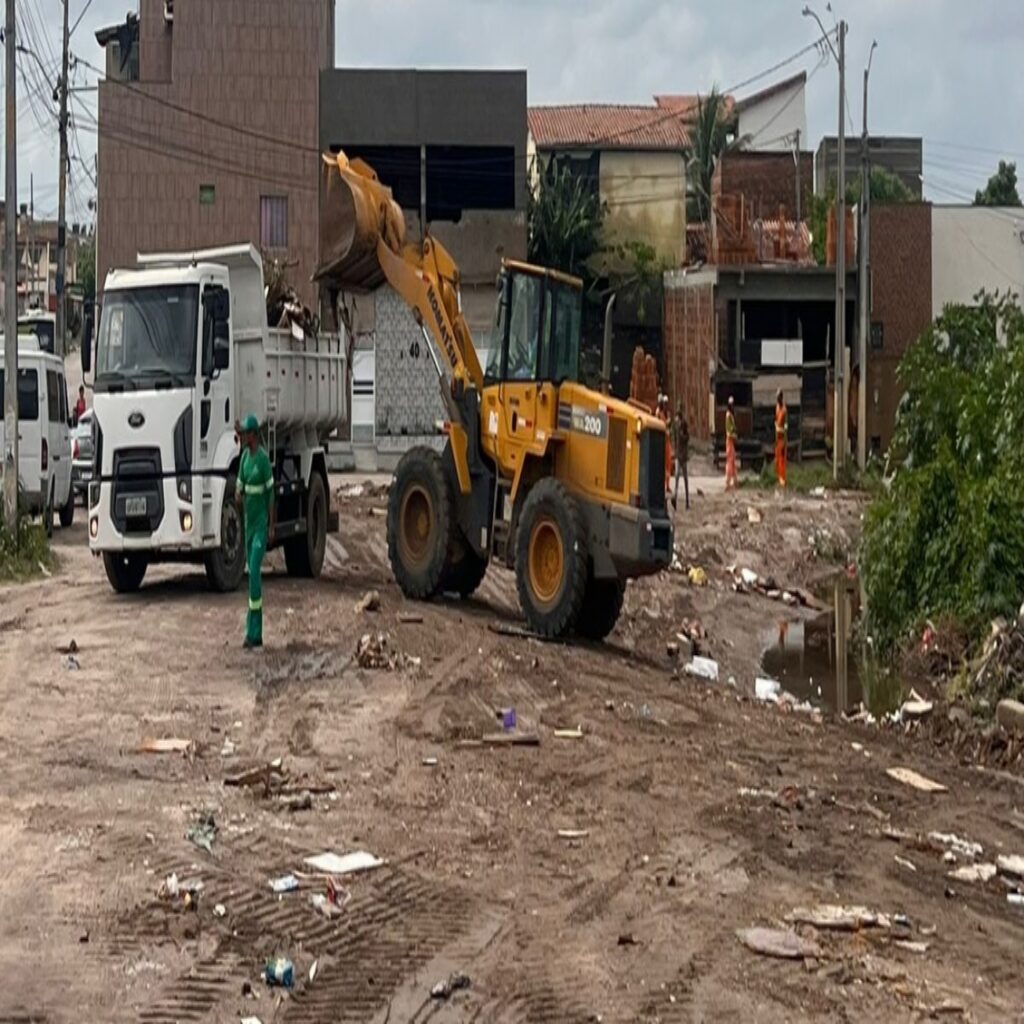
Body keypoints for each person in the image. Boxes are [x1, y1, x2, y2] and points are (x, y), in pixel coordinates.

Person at [235, 414, 275, 649]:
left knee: (255, 574)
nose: (242, 438)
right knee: (251, 574)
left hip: (260, 525)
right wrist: (238, 496)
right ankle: (252, 631)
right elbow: (239, 487)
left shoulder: (262, 461)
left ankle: (255, 631)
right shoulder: (243, 460)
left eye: (244, 434)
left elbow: (271, 495)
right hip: (248, 525)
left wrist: (271, 525)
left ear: (253, 435)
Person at [672, 402, 690, 510]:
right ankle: (675, 497)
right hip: (679, 454)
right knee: (678, 477)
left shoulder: (683, 426)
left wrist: (682, 435)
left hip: (683, 455)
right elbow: (675, 440)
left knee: (685, 478)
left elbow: (686, 438)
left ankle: (687, 501)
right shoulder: (676, 427)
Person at [656, 394, 673, 505]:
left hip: (667, 440)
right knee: (662, 465)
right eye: (664, 404)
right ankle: (661, 485)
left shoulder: (667, 414)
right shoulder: (658, 413)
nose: (666, 406)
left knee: (669, 463)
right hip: (661, 440)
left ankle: (667, 485)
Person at [774, 389, 788, 489]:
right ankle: (778, 478)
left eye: (778, 397)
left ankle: (783, 479)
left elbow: (786, 427)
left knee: (782, 459)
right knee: (777, 459)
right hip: (777, 438)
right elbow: (776, 420)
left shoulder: (784, 410)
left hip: (782, 438)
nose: (777, 399)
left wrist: (780, 429)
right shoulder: (777, 408)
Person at [724, 396, 738, 491]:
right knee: (730, 461)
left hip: (731, 441)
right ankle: (728, 482)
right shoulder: (728, 416)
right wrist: (734, 436)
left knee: (732, 461)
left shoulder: (731, 416)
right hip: (729, 441)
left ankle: (734, 481)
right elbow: (729, 432)